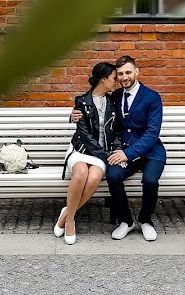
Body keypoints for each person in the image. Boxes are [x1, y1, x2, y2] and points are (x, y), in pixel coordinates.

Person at [70, 55, 165, 241]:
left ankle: (146, 221)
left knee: (150, 181)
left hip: (150, 152)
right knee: (113, 176)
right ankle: (125, 221)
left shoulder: (153, 97)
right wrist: (73, 115)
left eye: (128, 72)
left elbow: (152, 133)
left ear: (137, 72)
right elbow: (93, 106)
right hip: (123, 151)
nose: (124, 77)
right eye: (120, 74)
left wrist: (127, 154)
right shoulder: (115, 95)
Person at [54, 61, 121, 245]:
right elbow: (84, 136)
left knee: (93, 179)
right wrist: (107, 157)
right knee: (81, 173)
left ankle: (67, 214)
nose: (116, 81)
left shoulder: (113, 102)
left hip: (101, 153)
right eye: (114, 78)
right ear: (103, 79)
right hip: (81, 150)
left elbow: (115, 132)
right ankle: (70, 223)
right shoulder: (81, 101)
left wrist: (114, 152)